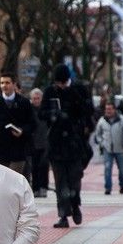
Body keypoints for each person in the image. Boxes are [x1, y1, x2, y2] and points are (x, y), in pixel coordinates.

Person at [41, 64, 88, 228]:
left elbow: (87, 111)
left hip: (74, 144)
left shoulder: (78, 89)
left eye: (62, 83)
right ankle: (63, 215)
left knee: (75, 180)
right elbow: (42, 113)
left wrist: (72, 96)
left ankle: (75, 205)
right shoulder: (50, 91)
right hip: (56, 145)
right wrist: (54, 114)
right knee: (60, 182)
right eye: (57, 83)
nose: (59, 86)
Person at [0, 72, 35, 175]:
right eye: (2, 83)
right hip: (0, 149)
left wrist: (22, 131)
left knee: (15, 179)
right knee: (0, 179)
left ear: (14, 84)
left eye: (7, 82)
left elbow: (32, 123)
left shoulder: (24, 102)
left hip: (18, 149)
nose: (4, 85)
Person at [95, 102, 123, 195]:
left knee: (122, 169)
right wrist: (101, 143)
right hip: (107, 149)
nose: (108, 111)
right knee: (107, 168)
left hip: (120, 149)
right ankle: (108, 188)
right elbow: (98, 134)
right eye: (106, 109)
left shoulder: (122, 119)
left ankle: (122, 186)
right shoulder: (102, 121)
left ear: (114, 110)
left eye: (110, 109)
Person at [29, 88, 49, 197]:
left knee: (44, 165)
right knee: (34, 166)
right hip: (33, 142)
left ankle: (43, 187)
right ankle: (36, 188)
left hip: (45, 141)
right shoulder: (29, 110)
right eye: (34, 99)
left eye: (38, 98)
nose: (36, 101)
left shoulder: (45, 109)